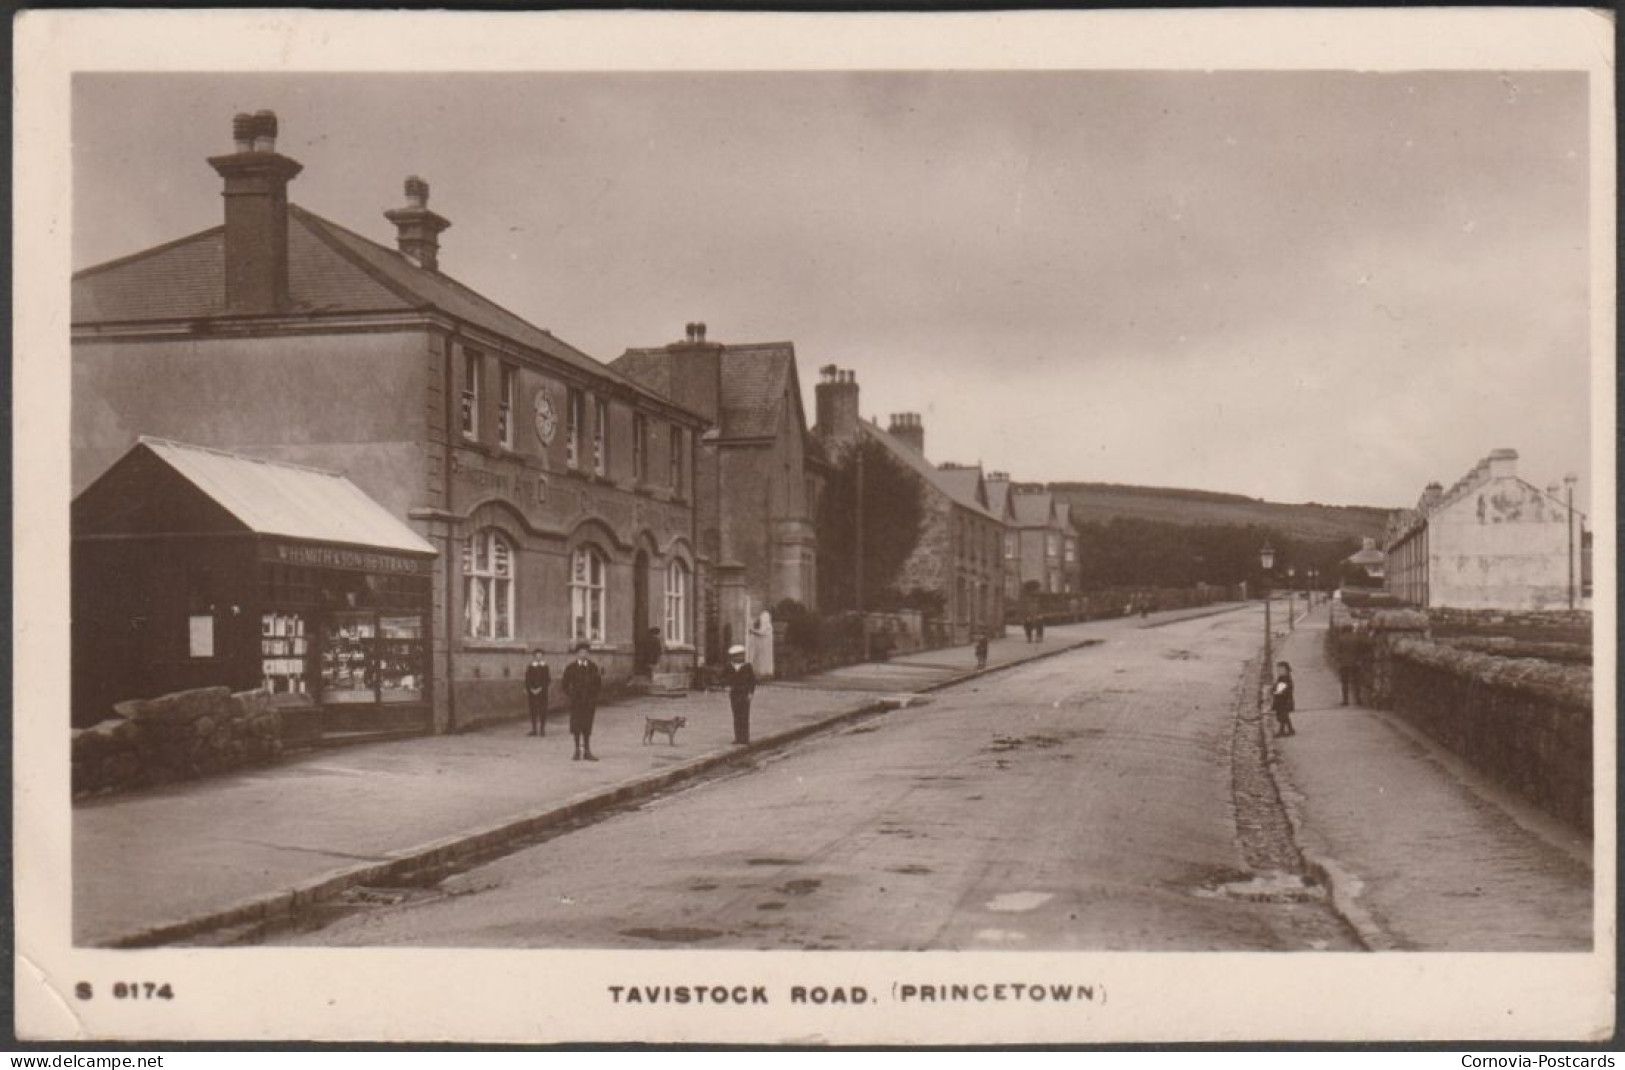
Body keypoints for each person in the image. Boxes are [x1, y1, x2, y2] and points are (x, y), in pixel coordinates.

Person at [561, 642, 603, 761]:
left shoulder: (592, 667)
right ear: (577, 654)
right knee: (576, 726)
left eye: (585, 652)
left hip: (589, 702)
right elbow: (564, 685)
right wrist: (572, 696)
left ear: (588, 654)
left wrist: (593, 697)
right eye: (580, 652)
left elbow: (598, 684)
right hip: (576, 702)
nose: (583, 654)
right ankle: (576, 750)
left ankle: (587, 751)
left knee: (587, 726)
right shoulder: (571, 668)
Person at [724, 644, 756, 745]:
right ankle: (738, 738)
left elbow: (752, 680)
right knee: (736, 715)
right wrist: (726, 685)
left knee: (744, 716)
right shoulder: (729, 667)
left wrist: (751, 692)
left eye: (741, 655)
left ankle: (745, 738)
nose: (739, 658)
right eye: (737, 656)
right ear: (733, 657)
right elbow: (723, 677)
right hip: (734, 694)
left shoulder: (747, 666)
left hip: (744, 693)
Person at [524, 649, 551, 736]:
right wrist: (531, 689)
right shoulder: (531, 667)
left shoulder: (545, 667)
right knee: (533, 711)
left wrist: (541, 688)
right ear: (534, 656)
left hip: (543, 692)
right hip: (532, 693)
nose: (539, 657)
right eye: (537, 655)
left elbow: (547, 680)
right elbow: (527, 679)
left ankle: (542, 730)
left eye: (540, 655)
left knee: (543, 710)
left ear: (542, 656)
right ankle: (534, 730)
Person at [1271, 661, 1296, 737]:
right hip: (1281, 700)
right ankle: (1290, 729)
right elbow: (1277, 687)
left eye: (1282, 670)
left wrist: (1276, 691)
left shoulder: (1287, 679)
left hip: (1285, 701)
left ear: (1287, 670)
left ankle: (1282, 731)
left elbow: (1285, 689)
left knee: (1283, 716)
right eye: (1278, 670)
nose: (1280, 671)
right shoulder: (1281, 678)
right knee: (1284, 716)